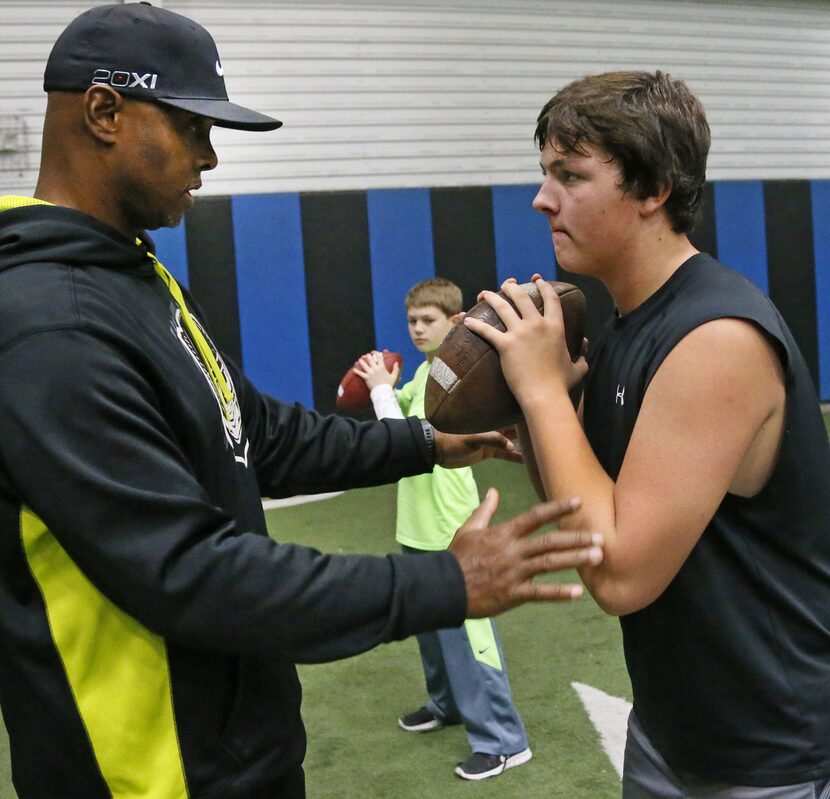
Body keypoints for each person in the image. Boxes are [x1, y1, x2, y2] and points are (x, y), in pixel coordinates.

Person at [0, 4, 607, 798]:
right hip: (149, 776)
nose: (209, 158)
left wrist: (425, 440)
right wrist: (442, 584)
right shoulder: (53, 327)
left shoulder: (134, 277)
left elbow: (257, 435)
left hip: (234, 754)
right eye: (192, 128)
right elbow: (190, 573)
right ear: (104, 112)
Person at [464, 70, 830, 798]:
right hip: (672, 728)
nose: (543, 198)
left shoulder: (716, 337)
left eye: (570, 175)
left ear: (654, 187)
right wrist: (542, 409)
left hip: (767, 755)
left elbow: (621, 573)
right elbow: (586, 512)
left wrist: (542, 389)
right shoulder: (628, 324)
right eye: (545, 174)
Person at [354, 278, 531, 782]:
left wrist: (380, 391)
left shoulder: (454, 381)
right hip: (417, 524)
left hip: (454, 527)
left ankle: (504, 741)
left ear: (454, 323)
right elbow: (398, 423)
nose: (415, 329)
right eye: (411, 320)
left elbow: (404, 437)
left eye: (426, 320)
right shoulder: (424, 374)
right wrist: (387, 384)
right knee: (428, 625)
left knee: (470, 636)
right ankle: (446, 703)